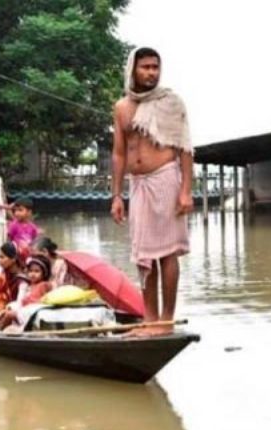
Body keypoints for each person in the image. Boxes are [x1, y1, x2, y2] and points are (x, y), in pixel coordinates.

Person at [110, 47, 194, 336]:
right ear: (133, 69)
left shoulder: (171, 102)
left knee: (168, 253)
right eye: (145, 67)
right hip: (138, 186)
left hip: (166, 180)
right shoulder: (122, 107)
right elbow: (119, 154)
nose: (151, 73)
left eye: (155, 67)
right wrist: (116, 195)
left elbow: (185, 148)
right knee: (143, 254)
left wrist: (186, 191)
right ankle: (150, 318)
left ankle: (166, 320)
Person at [0, 255, 53, 331]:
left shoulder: (44, 285)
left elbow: (34, 300)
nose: (32, 274)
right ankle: (1, 327)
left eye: (37, 271)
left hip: (33, 312)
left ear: (44, 273)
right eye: (31, 271)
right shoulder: (31, 285)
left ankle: (0, 330)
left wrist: (23, 303)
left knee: (9, 314)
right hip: (26, 310)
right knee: (6, 311)